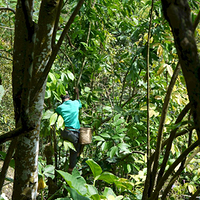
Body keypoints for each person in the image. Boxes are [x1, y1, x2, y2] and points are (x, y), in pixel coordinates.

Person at [55, 88, 82, 173]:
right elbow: (79, 102)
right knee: (74, 151)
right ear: (69, 97)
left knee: (75, 147)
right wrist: (77, 93)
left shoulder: (60, 107)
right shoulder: (75, 103)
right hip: (74, 133)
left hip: (64, 132)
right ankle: (71, 169)